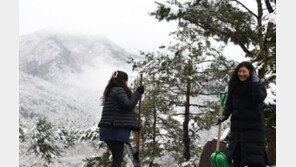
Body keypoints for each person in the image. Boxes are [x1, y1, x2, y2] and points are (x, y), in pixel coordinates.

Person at [217, 62, 268, 167]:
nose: (241, 74)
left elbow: (259, 98)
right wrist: (224, 116)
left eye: (244, 71)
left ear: (251, 72)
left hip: (253, 130)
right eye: (239, 71)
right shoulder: (234, 86)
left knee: (255, 159)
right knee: (237, 158)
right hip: (237, 129)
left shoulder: (257, 86)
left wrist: (255, 82)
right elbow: (229, 105)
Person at [98, 70, 144, 167]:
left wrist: (133, 126)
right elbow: (128, 105)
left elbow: (119, 114)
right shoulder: (118, 90)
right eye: (127, 80)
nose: (127, 83)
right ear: (123, 80)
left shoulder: (112, 90)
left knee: (118, 159)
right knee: (117, 161)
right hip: (114, 131)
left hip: (111, 130)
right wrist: (138, 93)